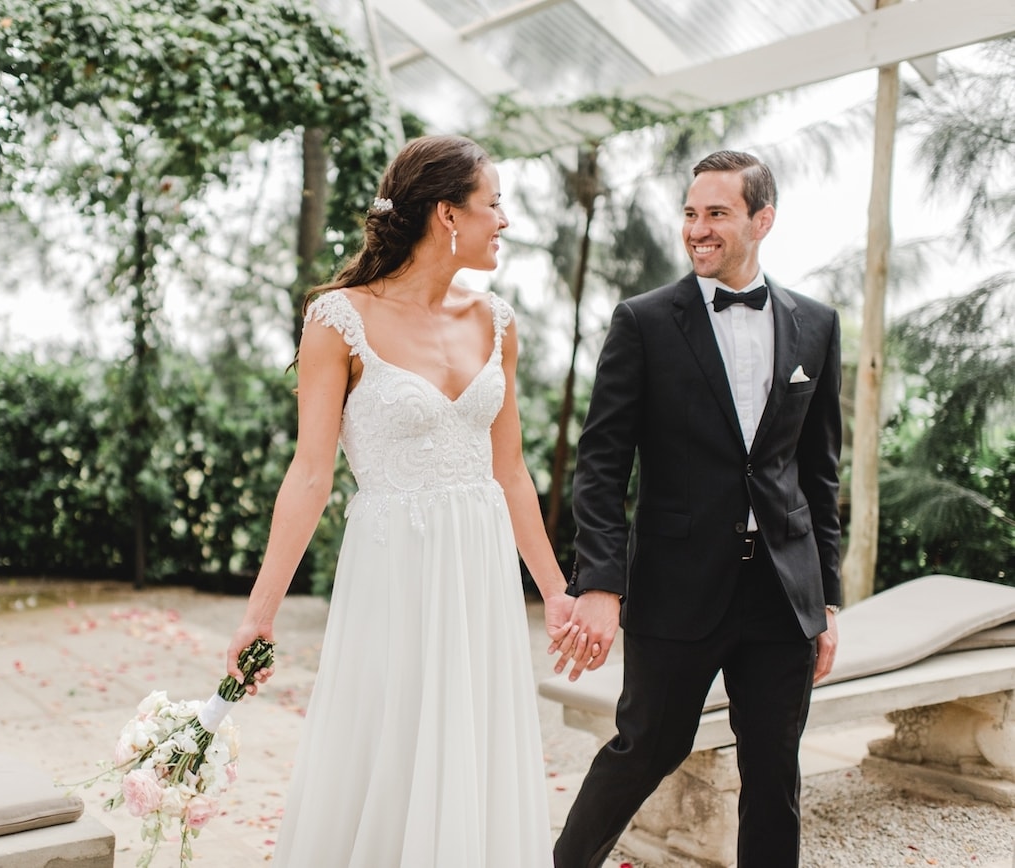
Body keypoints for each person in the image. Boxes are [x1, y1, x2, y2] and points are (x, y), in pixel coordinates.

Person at [225, 134, 579, 867]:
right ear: (448, 215)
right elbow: (311, 475)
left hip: (479, 571)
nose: (505, 221)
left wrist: (556, 592)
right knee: (389, 744)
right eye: (494, 204)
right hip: (394, 570)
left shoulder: (497, 321)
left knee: (471, 747)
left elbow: (510, 472)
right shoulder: (338, 320)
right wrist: (257, 618)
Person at [553, 150, 843, 868]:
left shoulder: (816, 325)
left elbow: (820, 473)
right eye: (690, 213)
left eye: (717, 213)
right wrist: (599, 581)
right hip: (677, 583)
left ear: (761, 219)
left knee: (774, 767)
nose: (698, 229)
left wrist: (828, 599)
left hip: (782, 591)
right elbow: (601, 466)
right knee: (647, 745)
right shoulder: (644, 322)